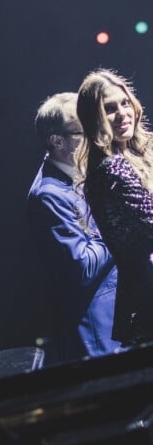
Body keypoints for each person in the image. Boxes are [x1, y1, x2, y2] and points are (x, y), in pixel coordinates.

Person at [27, 92, 123, 365]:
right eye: (83, 131)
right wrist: (118, 222)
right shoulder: (48, 196)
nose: (96, 137)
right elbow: (83, 268)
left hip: (121, 324)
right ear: (57, 141)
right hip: (100, 340)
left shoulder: (85, 172)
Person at [76, 68, 153, 348]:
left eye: (124, 103)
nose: (123, 113)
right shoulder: (111, 170)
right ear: (93, 120)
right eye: (110, 109)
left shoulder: (139, 153)